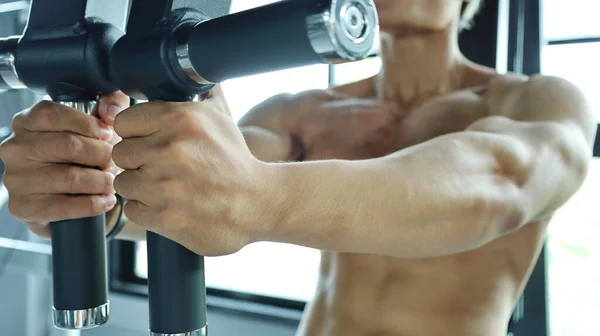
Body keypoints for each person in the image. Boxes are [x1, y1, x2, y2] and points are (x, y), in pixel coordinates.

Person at [0, 0, 596, 335]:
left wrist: (266, 200)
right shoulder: (304, 112)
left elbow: (497, 184)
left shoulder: (535, 101)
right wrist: (82, 194)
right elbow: (197, 193)